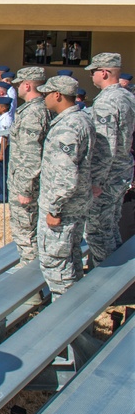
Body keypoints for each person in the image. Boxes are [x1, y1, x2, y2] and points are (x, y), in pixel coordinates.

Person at [84, 53, 135, 266]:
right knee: (111, 226)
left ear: (104, 73)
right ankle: (118, 278)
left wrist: (96, 180)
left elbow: (106, 146)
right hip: (122, 170)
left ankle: (105, 281)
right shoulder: (127, 96)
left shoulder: (107, 101)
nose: (92, 76)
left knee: (97, 231)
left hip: (109, 175)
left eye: (94, 71)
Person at [7, 67, 52, 263]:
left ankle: (32, 288)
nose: (17, 88)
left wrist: (25, 189)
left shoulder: (33, 112)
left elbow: (31, 154)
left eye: (19, 84)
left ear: (27, 85)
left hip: (26, 185)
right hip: (29, 182)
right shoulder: (40, 108)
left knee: (26, 235)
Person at [0, 96, 13, 203]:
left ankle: (3, 195)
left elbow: (5, 137)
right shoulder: (2, 116)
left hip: (2, 147)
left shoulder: (6, 118)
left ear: (4, 108)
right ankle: (0, 193)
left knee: (1, 171)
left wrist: (1, 153)